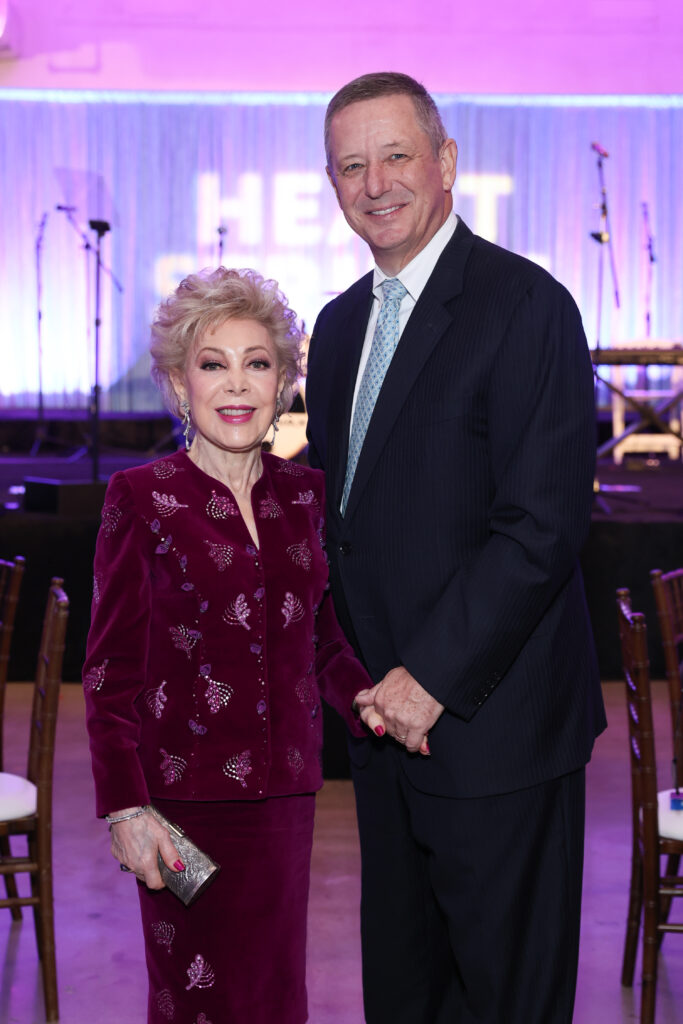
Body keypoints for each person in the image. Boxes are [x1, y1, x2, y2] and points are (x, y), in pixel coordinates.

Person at [305, 72, 607, 1024]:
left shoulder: (526, 306)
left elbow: (540, 527)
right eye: (351, 165)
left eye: (395, 155)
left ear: (445, 165)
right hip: (386, 732)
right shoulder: (340, 324)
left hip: (493, 733)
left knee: (503, 999)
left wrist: (425, 676)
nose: (375, 182)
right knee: (404, 994)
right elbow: (342, 520)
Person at [82, 267, 372, 1024]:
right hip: (180, 809)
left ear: (283, 384)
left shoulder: (306, 497)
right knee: (198, 1000)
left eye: (258, 363)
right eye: (213, 364)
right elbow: (109, 674)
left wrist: (371, 700)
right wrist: (125, 810)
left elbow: (324, 645)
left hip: (285, 801)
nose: (236, 384)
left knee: (276, 999)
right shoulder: (141, 498)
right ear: (180, 385)